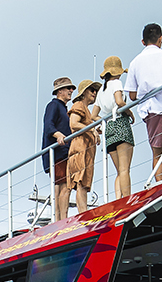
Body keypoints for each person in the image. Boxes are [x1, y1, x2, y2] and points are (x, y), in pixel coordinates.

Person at [125, 23, 162, 181]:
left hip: (152, 109)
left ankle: (160, 185)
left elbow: (131, 95)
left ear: (143, 42)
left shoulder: (135, 63)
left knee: (157, 152)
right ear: (160, 39)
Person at [63, 81, 101, 217]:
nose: (94, 93)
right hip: (80, 147)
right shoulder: (79, 105)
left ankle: (83, 213)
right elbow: (73, 124)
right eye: (91, 90)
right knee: (80, 182)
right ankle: (83, 214)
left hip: (86, 148)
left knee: (83, 182)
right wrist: (92, 129)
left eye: (95, 91)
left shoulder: (86, 109)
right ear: (84, 92)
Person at [100, 55, 135, 200]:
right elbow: (120, 102)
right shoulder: (116, 83)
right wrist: (130, 112)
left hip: (109, 128)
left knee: (119, 171)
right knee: (125, 169)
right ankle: (127, 199)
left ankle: (118, 199)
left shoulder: (102, 90)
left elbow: (94, 115)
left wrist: (104, 121)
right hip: (121, 124)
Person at [41, 77, 75, 218]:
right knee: (63, 186)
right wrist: (59, 135)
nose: (71, 91)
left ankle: (61, 218)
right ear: (60, 91)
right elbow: (48, 125)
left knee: (64, 185)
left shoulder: (63, 108)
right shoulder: (53, 105)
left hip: (63, 152)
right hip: (57, 152)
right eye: (68, 88)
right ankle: (61, 219)